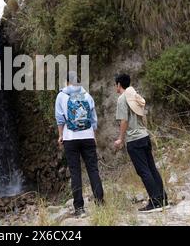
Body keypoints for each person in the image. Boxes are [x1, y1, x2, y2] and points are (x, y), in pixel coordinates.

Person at [113, 73, 169, 213]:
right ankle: (163, 199)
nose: (115, 87)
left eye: (115, 84)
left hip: (134, 140)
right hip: (144, 136)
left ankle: (155, 202)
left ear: (119, 84)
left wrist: (121, 138)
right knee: (151, 168)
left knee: (143, 171)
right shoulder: (134, 95)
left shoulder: (122, 99)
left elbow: (124, 121)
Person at [55, 71, 104, 216]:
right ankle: (100, 203)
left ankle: (79, 208)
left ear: (67, 82)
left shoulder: (61, 96)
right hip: (88, 137)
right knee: (93, 170)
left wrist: (60, 135)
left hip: (70, 138)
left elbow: (60, 119)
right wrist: (93, 136)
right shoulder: (87, 95)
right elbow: (94, 119)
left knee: (75, 172)